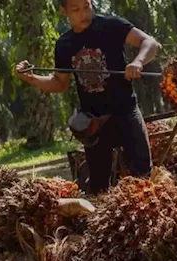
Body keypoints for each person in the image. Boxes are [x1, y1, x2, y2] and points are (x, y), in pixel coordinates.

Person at [15, 0, 159, 195]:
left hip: (125, 111)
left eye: (86, 6)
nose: (83, 13)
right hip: (93, 122)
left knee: (143, 176)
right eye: (76, 9)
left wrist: (138, 62)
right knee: (99, 186)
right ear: (63, 11)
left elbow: (150, 43)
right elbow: (60, 83)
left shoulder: (111, 26)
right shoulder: (64, 45)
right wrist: (32, 78)